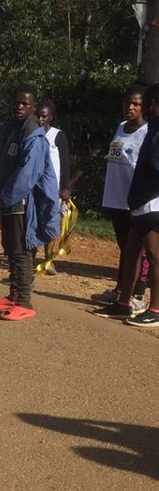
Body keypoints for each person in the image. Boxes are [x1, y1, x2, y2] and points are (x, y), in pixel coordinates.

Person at [0, 86, 60, 321]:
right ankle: (14, 295)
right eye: (16, 103)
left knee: (21, 250)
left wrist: (3, 198)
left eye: (25, 104)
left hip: (23, 202)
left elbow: (27, 175)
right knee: (10, 247)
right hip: (6, 199)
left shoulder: (34, 136)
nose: (19, 107)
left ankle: (24, 301)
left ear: (33, 107)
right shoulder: (11, 129)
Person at [94, 83, 159, 327]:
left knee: (153, 254)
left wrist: (141, 195)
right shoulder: (152, 127)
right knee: (131, 251)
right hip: (136, 200)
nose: (144, 107)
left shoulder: (154, 131)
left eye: (146, 103)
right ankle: (123, 303)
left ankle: (154, 308)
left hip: (151, 201)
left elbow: (154, 167)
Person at [35, 99, 72, 276]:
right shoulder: (33, 134)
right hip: (35, 187)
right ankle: (30, 255)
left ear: (51, 117)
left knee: (50, 222)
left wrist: (65, 188)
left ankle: (48, 260)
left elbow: (65, 163)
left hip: (53, 188)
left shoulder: (57, 136)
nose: (40, 119)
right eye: (38, 116)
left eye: (44, 116)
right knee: (34, 222)